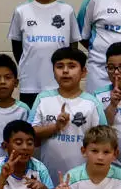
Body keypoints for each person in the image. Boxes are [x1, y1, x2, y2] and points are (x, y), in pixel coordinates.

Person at [10, 0, 79, 107]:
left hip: (60, 84)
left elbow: (72, 48)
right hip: (30, 84)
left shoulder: (67, 10)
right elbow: (17, 48)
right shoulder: (21, 11)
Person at [29, 47, 106, 177]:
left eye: (72, 66)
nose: (65, 71)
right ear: (53, 72)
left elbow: (104, 140)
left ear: (83, 72)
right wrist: (55, 127)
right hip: (47, 177)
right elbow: (30, 133)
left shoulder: (92, 103)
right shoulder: (43, 98)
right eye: (59, 66)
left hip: (83, 178)